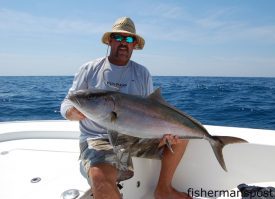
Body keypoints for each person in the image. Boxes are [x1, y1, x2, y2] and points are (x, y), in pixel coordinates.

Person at [61, 16, 190, 199]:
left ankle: (163, 190)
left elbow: (151, 111)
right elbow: (68, 102)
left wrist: (164, 133)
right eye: (119, 38)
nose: (124, 43)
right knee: (101, 181)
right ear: (110, 40)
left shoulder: (142, 73)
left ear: (134, 45)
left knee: (182, 136)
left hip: (135, 135)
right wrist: (72, 113)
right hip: (99, 139)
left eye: (129, 39)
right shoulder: (89, 69)